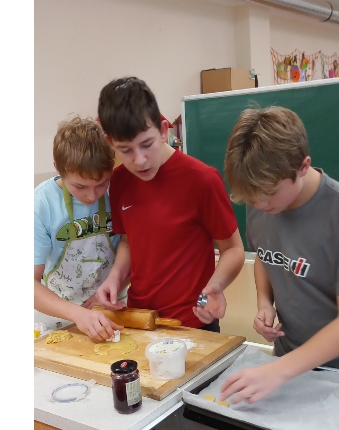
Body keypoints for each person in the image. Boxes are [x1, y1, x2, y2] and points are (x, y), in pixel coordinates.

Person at [219, 106, 339, 405]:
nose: (260, 205)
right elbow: (266, 256)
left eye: (270, 193)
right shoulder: (260, 198)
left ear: (303, 166)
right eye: (252, 197)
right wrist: (264, 303)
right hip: (289, 362)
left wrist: (278, 371)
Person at [94, 77, 244, 329]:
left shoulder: (202, 179)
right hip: (140, 319)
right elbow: (129, 242)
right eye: (126, 150)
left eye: (147, 145)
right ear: (111, 144)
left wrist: (215, 287)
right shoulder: (119, 181)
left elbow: (233, 249)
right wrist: (115, 278)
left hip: (193, 322)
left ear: (164, 130)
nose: (139, 160)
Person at [34, 116, 123, 342]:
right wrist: (78, 314)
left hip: (113, 307)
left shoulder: (120, 190)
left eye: (101, 183)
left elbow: (131, 245)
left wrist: (114, 286)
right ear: (58, 168)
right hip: (59, 314)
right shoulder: (41, 204)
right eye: (80, 186)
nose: (92, 196)